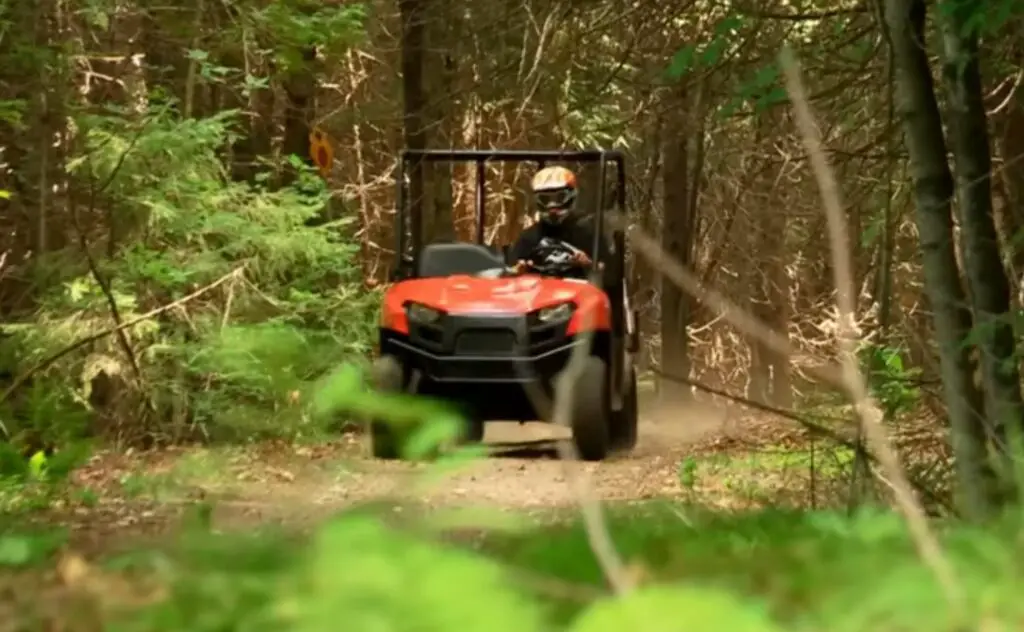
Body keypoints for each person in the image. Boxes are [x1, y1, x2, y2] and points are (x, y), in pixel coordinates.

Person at [508, 165, 611, 277]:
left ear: (572, 197)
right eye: (545, 199)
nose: (552, 206)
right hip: (539, 291)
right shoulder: (529, 237)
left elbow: (610, 274)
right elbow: (510, 271)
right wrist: (520, 270)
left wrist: (588, 264)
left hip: (580, 290)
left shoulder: (588, 234)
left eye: (560, 198)